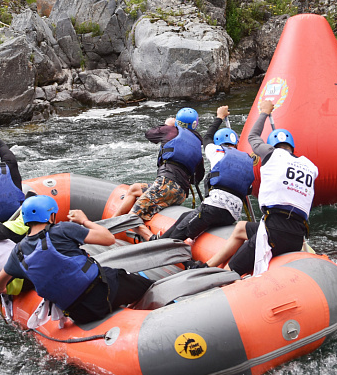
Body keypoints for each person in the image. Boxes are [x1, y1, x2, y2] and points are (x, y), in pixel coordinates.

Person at [191, 99, 317, 277]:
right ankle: (208, 265)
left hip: (273, 233)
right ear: (293, 147)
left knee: (229, 272)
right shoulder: (311, 167)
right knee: (241, 228)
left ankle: (222, 274)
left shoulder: (271, 153)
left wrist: (264, 112)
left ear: (270, 146)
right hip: (297, 235)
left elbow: (253, 137)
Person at [0, 195, 153, 324]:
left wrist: (1, 290)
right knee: (149, 286)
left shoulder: (17, 253)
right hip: (104, 293)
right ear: (51, 216)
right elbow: (109, 239)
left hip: (79, 314)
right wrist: (84, 221)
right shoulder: (62, 229)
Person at [161, 106, 256, 242]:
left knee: (178, 234)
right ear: (236, 143)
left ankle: (159, 245)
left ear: (218, 142)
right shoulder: (247, 159)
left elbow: (207, 137)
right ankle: (157, 241)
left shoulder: (216, 151)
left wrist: (220, 117)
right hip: (231, 216)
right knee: (184, 216)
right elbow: (248, 190)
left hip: (213, 209)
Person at [128, 108, 205, 241]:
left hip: (165, 185)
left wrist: (167, 124)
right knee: (134, 188)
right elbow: (197, 178)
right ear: (195, 124)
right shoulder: (197, 144)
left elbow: (149, 134)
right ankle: (114, 220)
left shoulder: (171, 130)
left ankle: (153, 239)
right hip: (181, 193)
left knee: (132, 217)